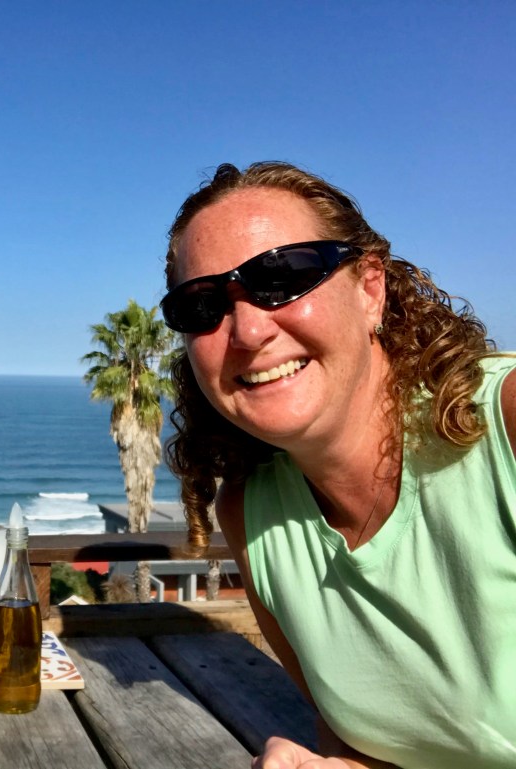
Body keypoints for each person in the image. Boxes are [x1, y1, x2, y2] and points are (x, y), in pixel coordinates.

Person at [160, 161, 515, 769]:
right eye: (203, 305)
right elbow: (367, 740)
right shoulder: (252, 513)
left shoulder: (506, 424)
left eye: (281, 277)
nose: (247, 330)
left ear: (370, 289)